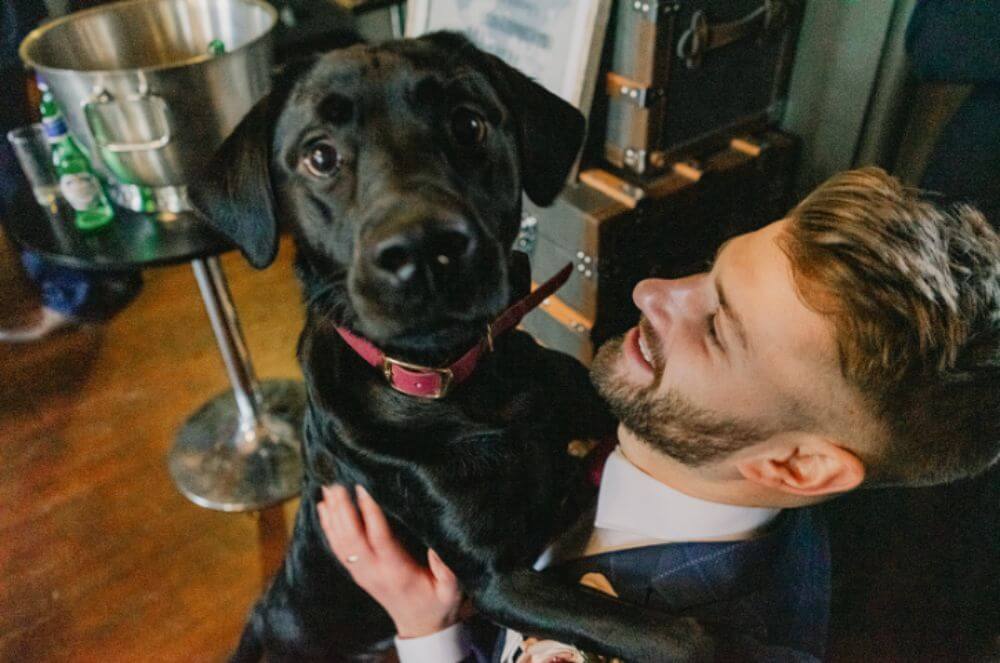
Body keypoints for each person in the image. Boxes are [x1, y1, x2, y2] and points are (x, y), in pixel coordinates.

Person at [316, 168, 1000, 661]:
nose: (652, 292)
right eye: (709, 271)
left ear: (797, 463)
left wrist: (425, 631)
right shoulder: (724, 471)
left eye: (720, 328)